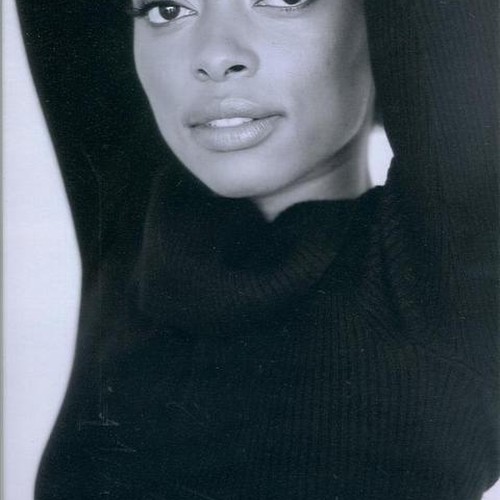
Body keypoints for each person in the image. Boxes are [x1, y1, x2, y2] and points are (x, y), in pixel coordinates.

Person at [16, 0, 498, 498]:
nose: (215, 56)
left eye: (283, 0)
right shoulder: (140, 231)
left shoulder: (449, 279)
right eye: (168, 9)